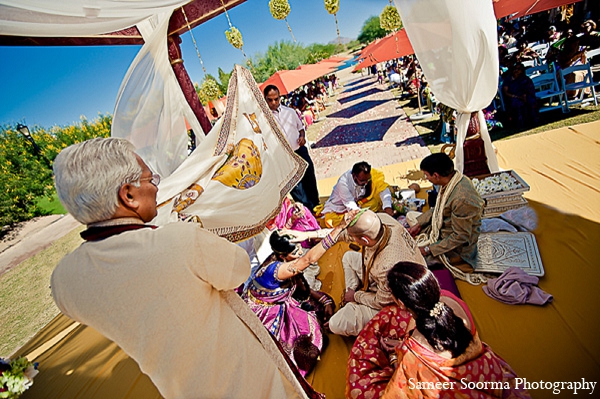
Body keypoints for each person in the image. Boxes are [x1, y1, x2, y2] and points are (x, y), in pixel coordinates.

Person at [50, 137, 317, 399]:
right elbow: (239, 269)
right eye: (150, 178)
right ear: (128, 195)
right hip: (250, 381)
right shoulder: (178, 241)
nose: (156, 187)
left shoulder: (64, 281)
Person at [346, 262, 530, 399]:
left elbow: (403, 390)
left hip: (453, 390)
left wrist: (396, 355)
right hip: (486, 373)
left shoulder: (414, 351)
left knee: (360, 387)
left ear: (401, 303)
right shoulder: (451, 300)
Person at [293, 210, 425, 337]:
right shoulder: (383, 220)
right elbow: (343, 235)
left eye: (355, 239)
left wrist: (355, 296)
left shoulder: (388, 266)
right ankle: (353, 297)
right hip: (381, 278)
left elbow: (381, 301)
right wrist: (309, 235)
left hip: (397, 301)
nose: (351, 240)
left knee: (335, 324)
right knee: (348, 257)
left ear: (365, 240)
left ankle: (353, 302)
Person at [244, 227, 350, 376]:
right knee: (304, 353)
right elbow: (308, 260)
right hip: (267, 314)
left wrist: (322, 299)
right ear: (282, 256)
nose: (300, 253)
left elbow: (299, 287)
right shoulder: (276, 270)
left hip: (283, 303)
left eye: (300, 248)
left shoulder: (284, 264)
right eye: (295, 252)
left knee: (321, 308)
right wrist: (339, 228)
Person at [408, 153, 484, 270]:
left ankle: (450, 260)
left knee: (414, 262)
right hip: (442, 225)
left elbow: (461, 236)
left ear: (436, 175)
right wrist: (419, 224)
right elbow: (439, 208)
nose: (426, 178)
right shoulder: (453, 179)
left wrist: (428, 249)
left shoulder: (461, 199)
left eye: (427, 175)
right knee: (411, 216)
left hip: (458, 248)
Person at [264, 84, 320, 211]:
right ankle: (307, 211)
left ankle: (316, 206)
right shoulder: (264, 119)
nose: (274, 102)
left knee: (309, 177)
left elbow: (300, 128)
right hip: (282, 157)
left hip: (300, 151)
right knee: (295, 186)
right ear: (265, 99)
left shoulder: (291, 112)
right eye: (270, 100)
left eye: (276, 99)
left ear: (280, 97)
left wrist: (302, 137)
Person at [316, 161, 394, 228]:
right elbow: (352, 207)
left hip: (359, 204)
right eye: (363, 181)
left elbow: (382, 188)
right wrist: (367, 219)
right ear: (354, 176)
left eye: (368, 179)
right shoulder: (343, 183)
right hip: (340, 209)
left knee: (375, 202)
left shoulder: (370, 174)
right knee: (331, 221)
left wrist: (387, 206)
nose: (366, 183)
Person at [501, 63, 538, 128]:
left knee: (531, 101)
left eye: (519, 69)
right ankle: (520, 124)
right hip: (512, 97)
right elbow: (506, 92)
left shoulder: (525, 79)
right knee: (517, 103)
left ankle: (534, 121)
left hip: (525, 96)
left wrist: (525, 95)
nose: (516, 71)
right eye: (515, 69)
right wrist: (517, 97)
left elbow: (530, 89)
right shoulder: (508, 80)